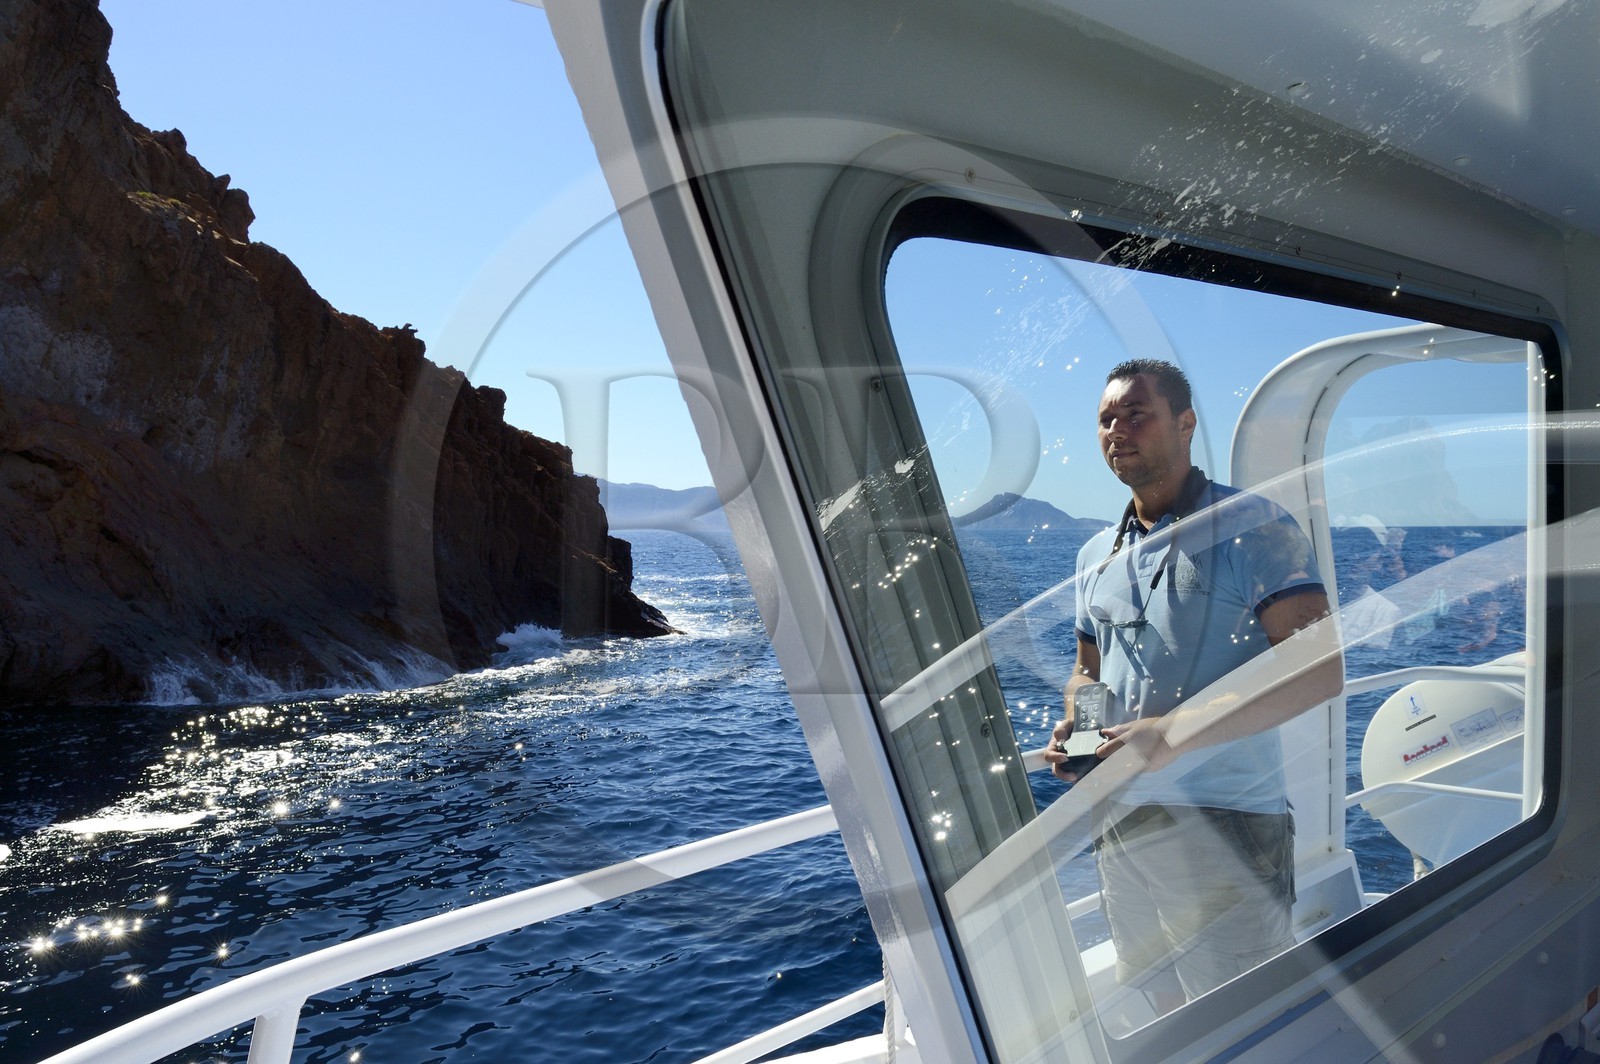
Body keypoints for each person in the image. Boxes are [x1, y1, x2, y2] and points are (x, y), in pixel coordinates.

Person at [1043, 359, 1343, 1013]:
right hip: (1121, 817)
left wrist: (1171, 735)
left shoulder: (1255, 526)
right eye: (1105, 420)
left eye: (1135, 414)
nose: (1117, 429)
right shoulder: (1094, 555)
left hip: (1226, 820)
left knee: (1238, 1018)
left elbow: (1318, 671)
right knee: (1159, 1000)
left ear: (1185, 425)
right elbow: (1090, 671)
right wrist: (1085, 731)